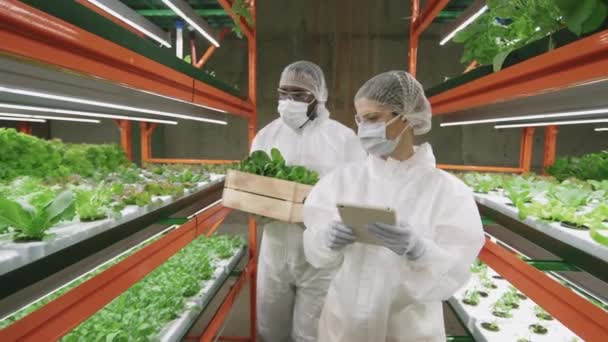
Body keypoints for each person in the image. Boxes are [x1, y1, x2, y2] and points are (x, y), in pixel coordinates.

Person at [302, 70, 485, 342]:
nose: (364, 129)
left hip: (409, 330)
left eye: (373, 119)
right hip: (344, 325)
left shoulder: (447, 191)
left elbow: (457, 270)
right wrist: (326, 238)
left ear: (407, 118)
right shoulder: (342, 180)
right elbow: (314, 247)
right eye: (360, 120)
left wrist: (421, 250)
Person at [251, 61, 365, 342]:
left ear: (319, 96)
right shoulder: (266, 136)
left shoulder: (343, 138)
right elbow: (253, 185)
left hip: (322, 255)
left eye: (299, 95)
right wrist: (255, 206)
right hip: (275, 250)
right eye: (284, 93)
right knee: (270, 329)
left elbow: (358, 192)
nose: (290, 102)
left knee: (312, 334)